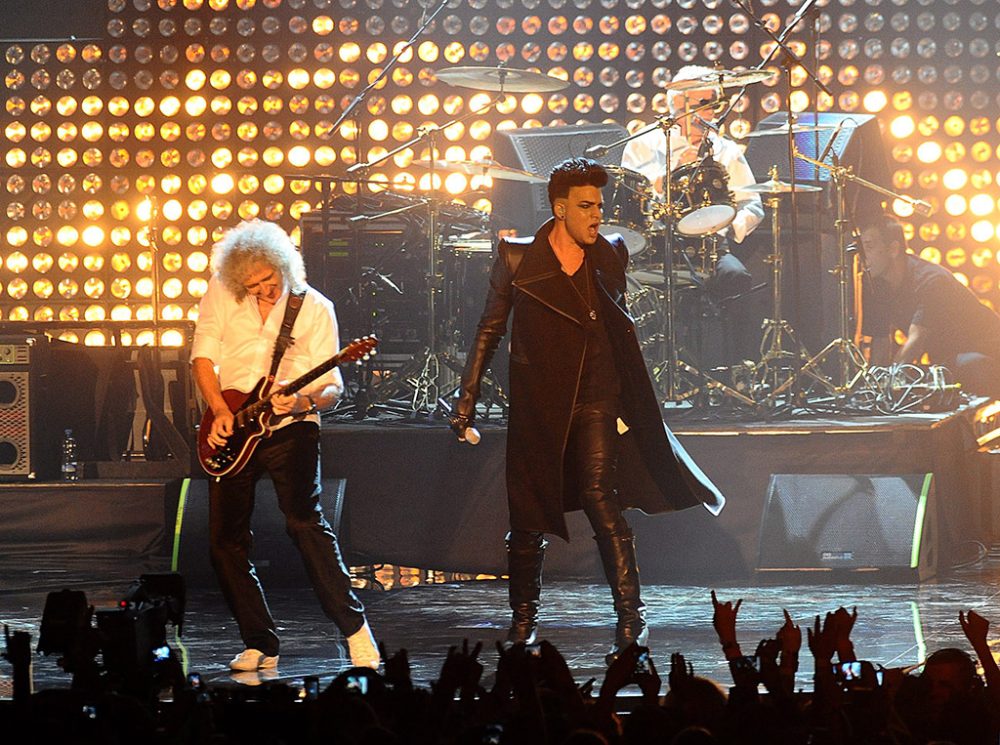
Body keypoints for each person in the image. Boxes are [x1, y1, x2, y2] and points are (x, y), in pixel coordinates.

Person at [450, 157, 725, 663]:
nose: (597, 214)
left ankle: (629, 618)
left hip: (598, 396)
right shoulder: (516, 258)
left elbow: (615, 325)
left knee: (603, 498)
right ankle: (524, 620)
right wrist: (466, 399)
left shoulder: (609, 254)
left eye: (599, 205)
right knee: (529, 516)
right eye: (586, 206)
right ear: (560, 209)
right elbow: (490, 329)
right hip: (539, 404)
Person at [191, 219, 380, 673]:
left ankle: (356, 632)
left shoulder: (315, 309)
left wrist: (300, 400)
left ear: (284, 266)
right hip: (234, 423)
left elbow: (332, 389)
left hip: (292, 425)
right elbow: (202, 354)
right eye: (253, 287)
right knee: (225, 542)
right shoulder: (221, 290)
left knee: (304, 522)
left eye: (269, 282)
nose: (263, 293)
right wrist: (218, 410)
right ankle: (260, 641)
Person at [621, 64, 764, 302]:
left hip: (711, 250)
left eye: (714, 105)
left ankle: (725, 339)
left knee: (736, 277)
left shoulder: (725, 149)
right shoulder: (643, 143)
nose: (712, 114)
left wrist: (724, 226)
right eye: (703, 104)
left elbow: (752, 204)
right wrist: (671, 175)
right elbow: (629, 204)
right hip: (655, 248)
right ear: (679, 106)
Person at [860, 213, 1000, 399]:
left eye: (869, 247)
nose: (862, 255)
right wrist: (872, 388)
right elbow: (880, 340)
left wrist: (889, 385)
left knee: (970, 365)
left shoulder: (931, 281)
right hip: (947, 360)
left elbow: (916, 340)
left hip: (984, 355)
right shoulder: (875, 285)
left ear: (893, 249)